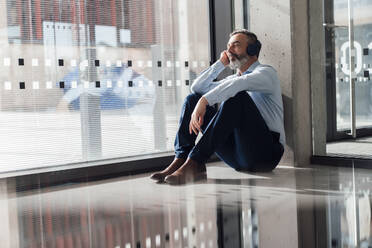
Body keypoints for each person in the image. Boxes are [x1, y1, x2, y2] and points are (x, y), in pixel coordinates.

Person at [150, 29, 285, 185]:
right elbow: (197, 87)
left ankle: (195, 160)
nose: (229, 50)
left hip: (266, 155)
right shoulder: (233, 78)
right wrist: (220, 64)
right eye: (228, 46)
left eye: (236, 45)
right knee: (192, 99)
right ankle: (184, 160)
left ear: (252, 49)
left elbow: (239, 84)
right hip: (238, 156)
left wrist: (205, 101)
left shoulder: (266, 73)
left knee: (237, 97)